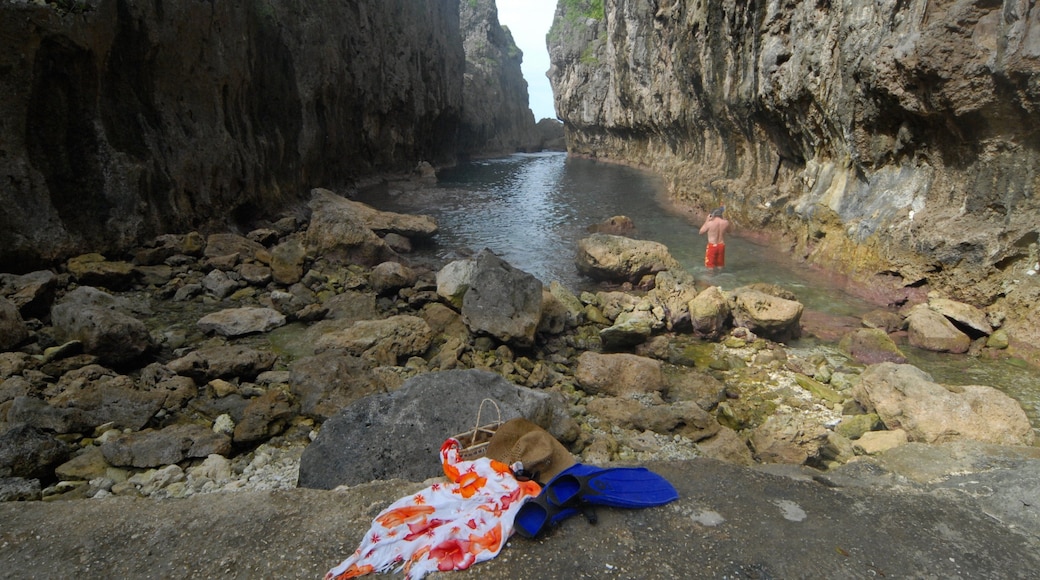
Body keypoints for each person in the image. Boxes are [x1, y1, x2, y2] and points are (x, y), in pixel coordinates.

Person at [699, 206, 730, 272]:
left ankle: (710, 277)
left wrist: (706, 220)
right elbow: (729, 231)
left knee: (710, 266)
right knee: (720, 265)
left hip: (712, 246)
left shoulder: (710, 223)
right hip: (721, 246)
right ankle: (720, 275)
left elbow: (701, 232)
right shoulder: (726, 223)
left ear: (712, 215)